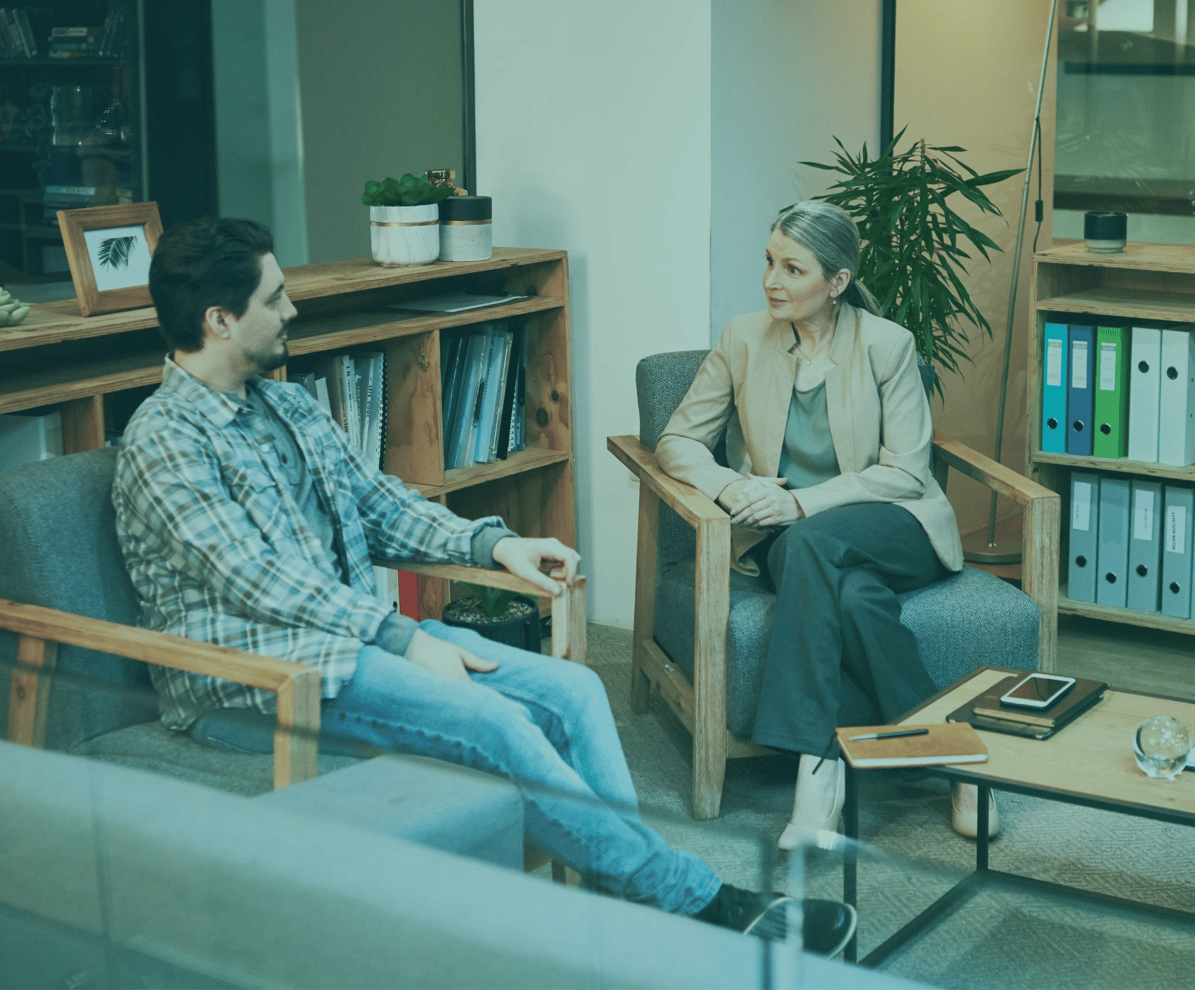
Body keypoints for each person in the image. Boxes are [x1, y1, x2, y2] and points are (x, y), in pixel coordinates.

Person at [111, 217, 856, 956]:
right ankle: (695, 904)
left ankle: (626, 931)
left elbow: (379, 504)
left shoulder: (285, 404)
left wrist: (493, 540)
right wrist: (404, 639)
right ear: (218, 319)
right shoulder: (165, 439)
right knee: (498, 723)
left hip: (351, 644)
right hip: (256, 681)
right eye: (274, 298)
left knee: (577, 692)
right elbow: (261, 580)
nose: (292, 309)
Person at [656, 200, 994, 849]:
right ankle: (958, 758)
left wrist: (802, 504)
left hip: (893, 525)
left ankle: (816, 772)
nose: (771, 281)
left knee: (815, 542)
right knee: (852, 593)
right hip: (789, 541)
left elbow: (907, 471)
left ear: (836, 283)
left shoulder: (886, 345)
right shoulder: (742, 338)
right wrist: (734, 484)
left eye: (792, 267)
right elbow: (677, 441)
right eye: (768, 262)